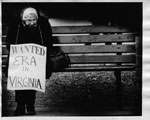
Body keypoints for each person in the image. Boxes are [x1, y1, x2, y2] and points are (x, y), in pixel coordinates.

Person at [6, 6, 53, 116]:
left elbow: (49, 41)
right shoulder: (15, 24)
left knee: (33, 76)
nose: (32, 22)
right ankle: (20, 105)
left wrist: (40, 53)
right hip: (20, 60)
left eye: (34, 20)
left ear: (37, 18)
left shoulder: (43, 23)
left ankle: (30, 105)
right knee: (20, 77)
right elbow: (9, 41)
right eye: (28, 20)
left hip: (36, 59)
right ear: (23, 20)